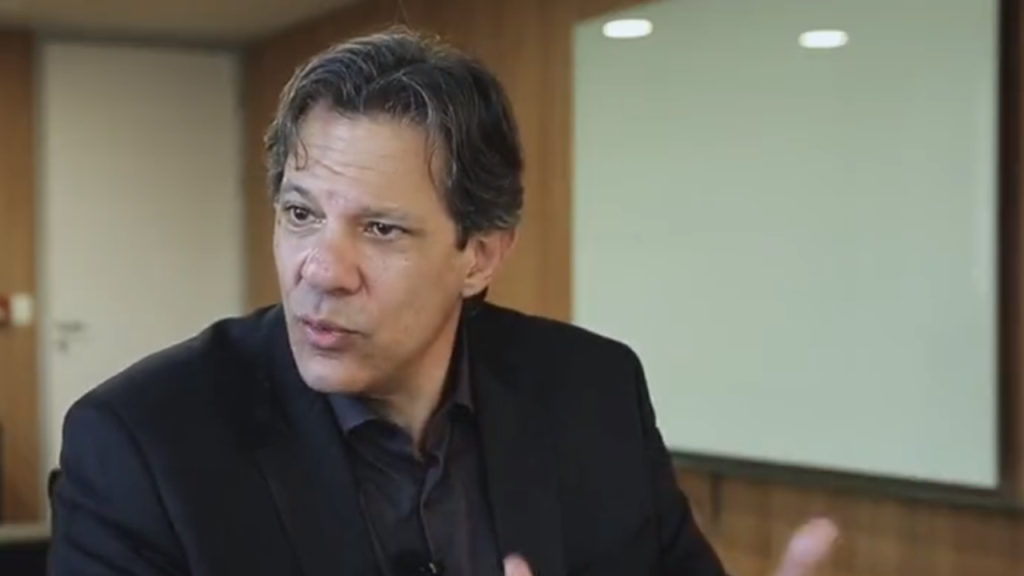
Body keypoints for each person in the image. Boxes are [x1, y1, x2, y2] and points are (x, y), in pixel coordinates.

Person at [49, 27, 838, 576]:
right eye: (300, 213)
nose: (321, 270)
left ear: (481, 255)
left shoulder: (592, 391)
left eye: (381, 228)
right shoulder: (141, 443)